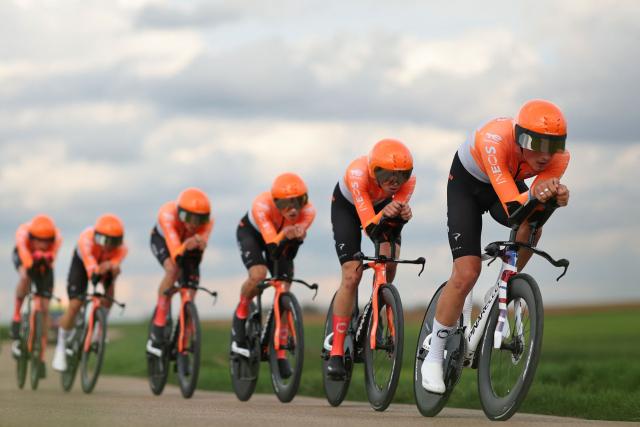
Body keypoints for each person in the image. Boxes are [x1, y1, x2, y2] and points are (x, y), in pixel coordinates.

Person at [421, 99, 571, 393]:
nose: (544, 154)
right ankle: (434, 356)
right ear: (519, 137)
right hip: (469, 186)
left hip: (504, 185)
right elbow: (514, 205)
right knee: (466, 272)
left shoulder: (560, 158)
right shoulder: (494, 139)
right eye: (535, 143)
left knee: (534, 226)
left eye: (552, 145)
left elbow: (534, 211)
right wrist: (539, 195)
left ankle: (505, 282)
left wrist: (553, 197)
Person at [326, 139, 416, 379]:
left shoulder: (409, 183)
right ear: (374, 170)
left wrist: (403, 213)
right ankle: (336, 351)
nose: (394, 182)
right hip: (349, 208)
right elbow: (369, 225)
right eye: (387, 174)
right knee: (352, 274)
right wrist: (386, 213)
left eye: (401, 175)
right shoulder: (358, 174)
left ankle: (379, 298)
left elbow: (395, 217)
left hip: (381, 206)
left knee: (389, 263)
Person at [231, 173, 315, 378]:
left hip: (281, 239)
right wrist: (288, 235)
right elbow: (272, 247)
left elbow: (288, 251)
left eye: (298, 201)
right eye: (286, 203)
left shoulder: (309, 211)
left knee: (284, 286)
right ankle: (241, 312)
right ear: (275, 202)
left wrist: (296, 237)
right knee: (259, 274)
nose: (293, 208)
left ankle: (279, 352)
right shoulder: (261, 205)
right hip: (253, 235)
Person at [52, 214, 128, 372]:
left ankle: (100, 328)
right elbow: (92, 272)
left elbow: (112, 268)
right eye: (104, 241)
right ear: (96, 236)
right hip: (83, 263)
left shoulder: (122, 249)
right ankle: (60, 348)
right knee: (75, 304)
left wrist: (113, 268)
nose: (108, 245)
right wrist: (104, 267)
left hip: (103, 263)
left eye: (113, 242)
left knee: (110, 288)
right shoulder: (85, 240)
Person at [147, 188, 213, 352]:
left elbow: (197, 259)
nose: (194, 224)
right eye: (188, 217)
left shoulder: (208, 223)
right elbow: (176, 253)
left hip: (186, 244)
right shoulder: (167, 214)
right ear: (180, 213)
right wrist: (187, 245)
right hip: (163, 240)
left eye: (200, 219)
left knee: (191, 287)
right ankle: (159, 324)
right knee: (173, 270)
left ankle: (185, 331)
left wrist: (198, 247)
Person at [10, 214, 62, 375]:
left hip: (44, 262)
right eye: (39, 240)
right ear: (32, 236)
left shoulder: (58, 238)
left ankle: (40, 357)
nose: (43, 243)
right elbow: (26, 260)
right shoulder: (22, 233)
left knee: (45, 307)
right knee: (25, 276)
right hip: (24, 255)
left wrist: (44, 256)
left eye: (47, 241)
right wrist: (34, 258)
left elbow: (51, 258)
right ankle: (17, 316)